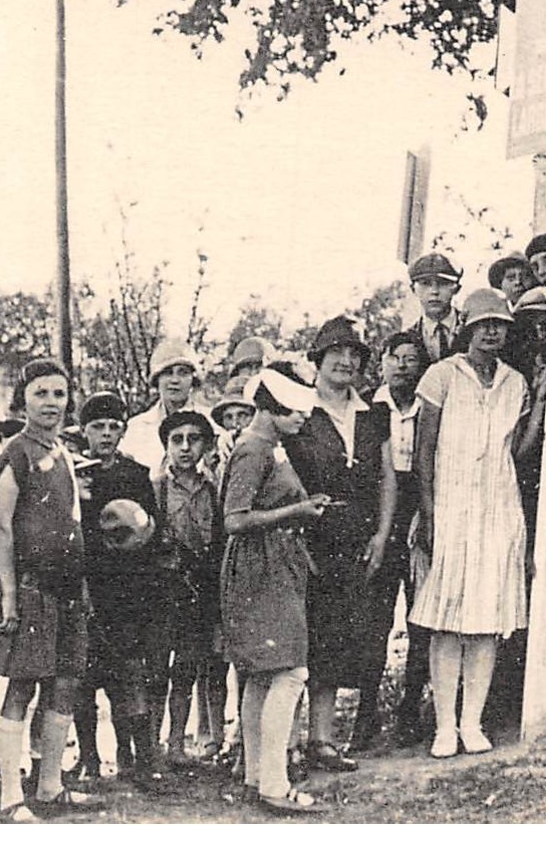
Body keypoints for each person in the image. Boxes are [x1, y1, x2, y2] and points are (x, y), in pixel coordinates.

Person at [408, 288, 534, 759]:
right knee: (447, 621)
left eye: (499, 324)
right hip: (451, 507)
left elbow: (517, 451)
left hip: (499, 508)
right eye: (483, 324)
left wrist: (538, 401)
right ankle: (444, 727)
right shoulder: (441, 376)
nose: (492, 331)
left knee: (486, 621)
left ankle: (472, 723)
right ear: (468, 328)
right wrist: (430, 513)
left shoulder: (515, 382)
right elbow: (425, 451)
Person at [283, 316, 396, 767]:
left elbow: (387, 476)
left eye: (355, 354)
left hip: (356, 540)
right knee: (297, 641)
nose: (346, 361)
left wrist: (382, 536)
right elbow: (285, 477)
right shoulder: (300, 412)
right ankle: (286, 743)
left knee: (334, 640)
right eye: (337, 353)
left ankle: (322, 740)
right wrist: (296, 537)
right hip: (306, 539)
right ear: (318, 359)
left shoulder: (373, 414)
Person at [0, 359, 99, 823]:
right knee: (22, 688)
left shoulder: (67, 453)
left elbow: (72, 522)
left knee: (66, 685)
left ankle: (50, 785)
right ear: (24, 398)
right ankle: (11, 795)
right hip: (32, 588)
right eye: (41, 393)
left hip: (68, 589)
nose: (51, 402)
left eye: (58, 393)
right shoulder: (16, 451)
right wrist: (10, 595)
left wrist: (84, 586)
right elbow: (0, 526)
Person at [221, 365, 329, 813]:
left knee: (265, 675)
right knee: (288, 672)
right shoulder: (253, 450)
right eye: (295, 411)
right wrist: (298, 511)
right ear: (271, 408)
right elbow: (235, 519)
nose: (303, 419)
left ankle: (255, 778)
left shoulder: (270, 445)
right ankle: (274, 785)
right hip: (259, 569)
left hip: (274, 565)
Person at [71, 391, 164, 787]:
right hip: (87, 586)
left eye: (113, 427)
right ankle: (89, 757)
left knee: (129, 674)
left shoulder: (136, 474)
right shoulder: (75, 473)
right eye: (98, 427)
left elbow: (152, 528)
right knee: (82, 678)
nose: (106, 434)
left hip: (129, 590)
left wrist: (141, 532)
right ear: (85, 430)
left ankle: (138, 756)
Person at [154, 409, 228, 766]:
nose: (185, 448)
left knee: (196, 668)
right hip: (166, 590)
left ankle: (194, 741)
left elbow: (219, 540)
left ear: (205, 445)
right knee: (159, 670)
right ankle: (156, 745)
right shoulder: (156, 487)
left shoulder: (213, 488)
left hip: (201, 589)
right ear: (166, 445)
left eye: (193, 439)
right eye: (177, 440)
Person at [375, 332, 429, 747]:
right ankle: (364, 716)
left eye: (412, 359)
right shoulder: (369, 408)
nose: (403, 366)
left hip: (420, 509)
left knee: (420, 615)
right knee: (375, 619)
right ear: (383, 362)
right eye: (396, 358)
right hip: (379, 511)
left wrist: (422, 516)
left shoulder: (430, 406)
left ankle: (411, 707)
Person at [120, 339, 205, 474]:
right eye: (167, 372)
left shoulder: (210, 423)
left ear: (193, 379)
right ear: (157, 379)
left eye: (183, 372)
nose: (175, 380)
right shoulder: (137, 427)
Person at [404, 253, 464, 364]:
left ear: (456, 289)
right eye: (425, 284)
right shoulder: (408, 337)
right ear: (413, 289)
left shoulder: (472, 330)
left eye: (443, 283)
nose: (434, 291)